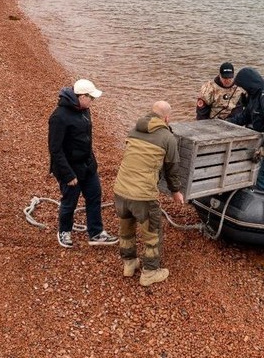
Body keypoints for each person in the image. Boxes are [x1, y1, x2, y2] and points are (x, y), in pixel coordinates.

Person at [112, 101, 184, 287]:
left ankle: (129, 264)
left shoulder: (132, 130)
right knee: (152, 233)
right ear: (167, 118)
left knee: (126, 229)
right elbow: (172, 169)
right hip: (143, 195)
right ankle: (150, 272)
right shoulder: (168, 138)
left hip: (120, 189)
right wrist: (176, 192)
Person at [48, 78, 118, 249]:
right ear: (81, 96)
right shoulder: (59, 116)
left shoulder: (85, 110)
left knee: (94, 196)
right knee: (69, 202)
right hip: (69, 169)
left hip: (87, 165)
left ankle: (96, 232)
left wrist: (92, 162)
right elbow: (55, 149)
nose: (92, 101)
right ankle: (64, 231)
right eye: (90, 98)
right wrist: (68, 174)